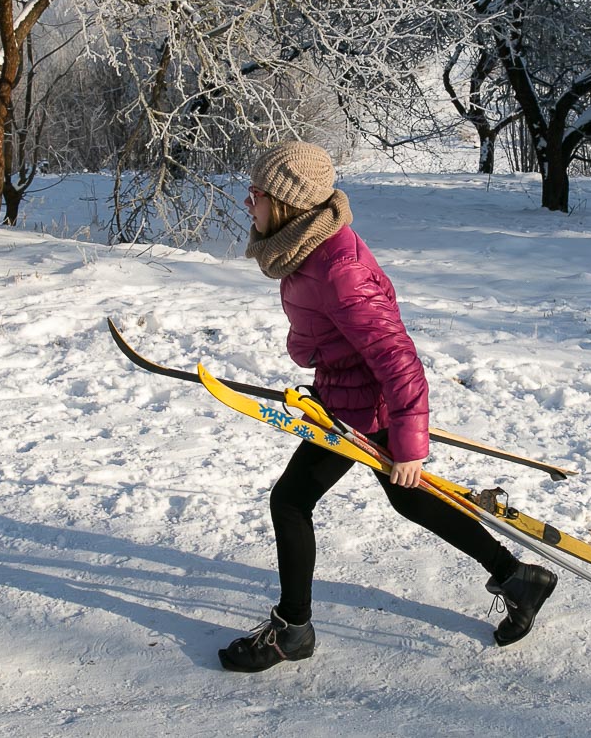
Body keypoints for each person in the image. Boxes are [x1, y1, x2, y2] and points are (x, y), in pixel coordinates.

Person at [219, 141, 555, 672]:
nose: (247, 203)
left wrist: (409, 446)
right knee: (409, 500)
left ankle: (293, 629)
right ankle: (518, 578)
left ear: (286, 202)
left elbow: (399, 359)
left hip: (365, 406)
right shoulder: (307, 250)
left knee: (291, 501)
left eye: (255, 194)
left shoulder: (337, 268)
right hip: (344, 395)